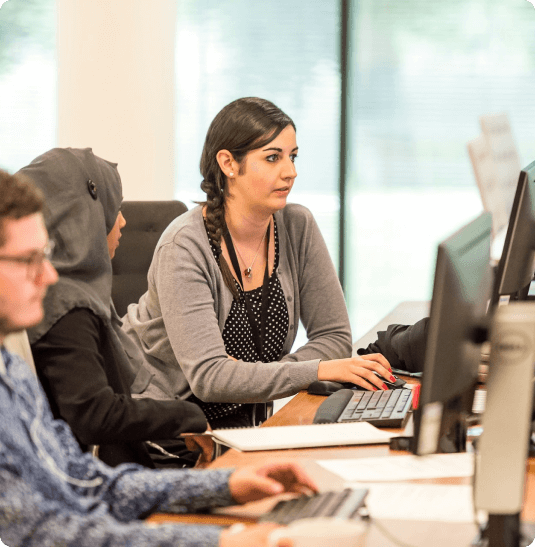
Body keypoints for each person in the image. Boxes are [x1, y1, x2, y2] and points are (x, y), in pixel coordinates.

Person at [0, 167, 316, 547]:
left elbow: (84, 480)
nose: (49, 275)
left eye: (45, 255)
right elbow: (45, 533)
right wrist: (221, 542)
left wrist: (226, 485)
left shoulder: (10, 370)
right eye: (28, 259)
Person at [122, 97, 394, 429]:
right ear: (228, 163)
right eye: (272, 157)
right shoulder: (184, 246)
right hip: (170, 428)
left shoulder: (297, 226)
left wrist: (251, 375)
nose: (290, 172)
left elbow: (334, 337)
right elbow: (210, 378)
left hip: (248, 423)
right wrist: (317, 369)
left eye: (293, 156)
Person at [20, 147, 209, 469]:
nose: (122, 221)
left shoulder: (66, 294)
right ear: (84, 216)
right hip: (99, 476)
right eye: (114, 208)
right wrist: (188, 416)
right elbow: (94, 415)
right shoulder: (67, 307)